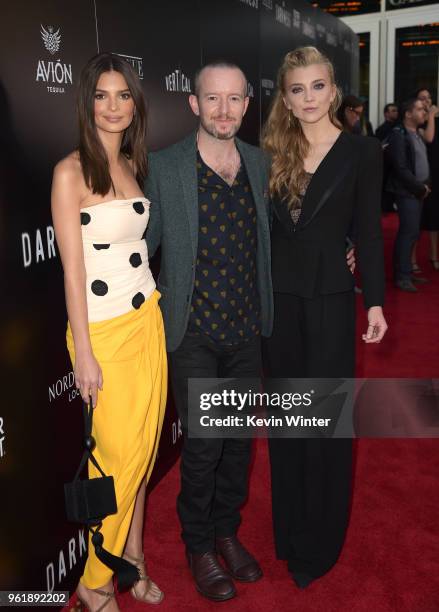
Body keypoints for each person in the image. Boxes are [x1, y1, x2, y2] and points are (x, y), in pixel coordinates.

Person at [144, 59, 354, 602]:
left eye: (235, 99)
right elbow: (142, 246)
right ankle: (197, 543)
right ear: (193, 104)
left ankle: (225, 533)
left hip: (246, 331)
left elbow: (293, 230)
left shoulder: (261, 165)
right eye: (212, 99)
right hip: (192, 331)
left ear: (247, 104)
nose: (224, 110)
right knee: (205, 444)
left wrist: (341, 252)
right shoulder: (166, 167)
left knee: (238, 443)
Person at [261, 46, 387, 588]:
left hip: (333, 300)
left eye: (317, 87)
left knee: (326, 424)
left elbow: (367, 235)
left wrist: (375, 299)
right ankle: (289, 531)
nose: (308, 98)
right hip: (278, 304)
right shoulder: (268, 151)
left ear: (333, 90)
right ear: (285, 99)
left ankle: (321, 540)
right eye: (297, 89)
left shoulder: (363, 152)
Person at [51, 53, 167, 611]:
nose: (114, 106)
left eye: (123, 95)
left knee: (142, 458)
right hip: (104, 336)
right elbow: (72, 272)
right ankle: (94, 584)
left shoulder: (131, 166)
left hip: (148, 323)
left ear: (135, 104)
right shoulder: (70, 171)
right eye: (102, 95)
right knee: (116, 463)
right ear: (87, 102)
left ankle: (134, 562)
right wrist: (84, 355)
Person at [386, 97, 431, 291]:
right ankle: (402, 276)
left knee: (413, 234)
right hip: (408, 193)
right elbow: (401, 168)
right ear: (408, 114)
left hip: (418, 192)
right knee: (408, 233)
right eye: (420, 109)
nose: (424, 113)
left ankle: (407, 273)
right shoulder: (399, 135)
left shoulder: (416, 133)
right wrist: (419, 188)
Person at [415, 89, 439, 271]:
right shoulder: (419, 123)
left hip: (436, 174)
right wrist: (430, 115)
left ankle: (434, 255)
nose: (426, 101)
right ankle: (412, 259)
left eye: (428, 98)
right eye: (422, 98)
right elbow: (429, 138)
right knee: (418, 221)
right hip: (424, 177)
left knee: (435, 219)